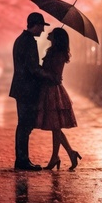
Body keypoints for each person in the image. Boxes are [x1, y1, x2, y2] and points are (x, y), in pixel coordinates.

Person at [9, 12, 55, 171]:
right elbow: (33, 68)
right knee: (25, 125)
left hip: (20, 88)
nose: (43, 31)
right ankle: (22, 160)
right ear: (35, 25)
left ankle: (22, 159)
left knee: (23, 124)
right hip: (27, 89)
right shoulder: (29, 42)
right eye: (42, 26)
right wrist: (48, 74)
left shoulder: (21, 40)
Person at [35, 27, 82, 171]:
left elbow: (55, 75)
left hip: (52, 90)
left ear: (56, 38)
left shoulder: (58, 54)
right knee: (55, 127)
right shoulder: (53, 51)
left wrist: (41, 72)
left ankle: (57, 157)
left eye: (52, 33)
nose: (48, 33)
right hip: (49, 89)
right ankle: (69, 153)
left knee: (55, 127)